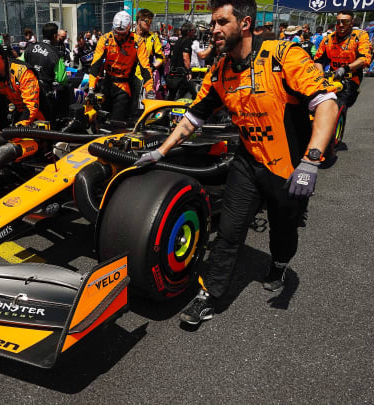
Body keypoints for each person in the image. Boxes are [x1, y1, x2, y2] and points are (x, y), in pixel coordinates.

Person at [134, 0, 338, 325]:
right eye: (212, 23)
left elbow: (327, 103)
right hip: (247, 160)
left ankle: (280, 264)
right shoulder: (220, 70)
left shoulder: (284, 55)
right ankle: (209, 295)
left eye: (221, 22)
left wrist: (311, 161)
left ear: (244, 24)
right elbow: (193, 118)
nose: (213, 29)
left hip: (289, 169)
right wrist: (162, 151)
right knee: (229, 230)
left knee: (283, 232)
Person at [89, 11, 154, 121]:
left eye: (122, 34)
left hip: (125, 86)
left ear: (129, 29)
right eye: (116, 33)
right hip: (107, 83)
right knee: (100, 119)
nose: (118, 36)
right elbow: (96, 65)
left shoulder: (138, 42)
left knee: (117, 121)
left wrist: (150, 89)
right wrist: (91, 88)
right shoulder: (105, 39)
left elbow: (145, 67)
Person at [0, 38, 45, 128]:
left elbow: (32, 106)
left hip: (39, 116)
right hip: (19, 114)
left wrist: (19, 128)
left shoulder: (22, 72)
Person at [314, 9, 371, 108]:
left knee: (340, 104)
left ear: (351, 23)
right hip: (333, 76)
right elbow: (318, 60)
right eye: (338, 22)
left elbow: (364, 58)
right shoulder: (328, 39)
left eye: (345, 22)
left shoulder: (361, 36)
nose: (340, 25)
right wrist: (321, 75)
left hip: (352, 76)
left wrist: (345, 68)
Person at [23, 22, 68, 121]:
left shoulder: (29, 48)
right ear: (55, 36)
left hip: (27, 91)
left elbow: (20, 64)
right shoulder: (55, 54)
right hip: (45, 95)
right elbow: (62, 79)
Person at [133, 9, 164, 111]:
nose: (149, 24)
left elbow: (160, 57)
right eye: (147, 21)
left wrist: (153, 66)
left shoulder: (153, 37)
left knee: (144, 108)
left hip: (146, 78)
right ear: (139, 21)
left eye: (151, 21)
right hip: (130, 77)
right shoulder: (130, 36)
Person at [166, 22, 197, 100]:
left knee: (172, 97)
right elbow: (185, 57)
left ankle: (168, 109)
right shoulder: (187, 41)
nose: (194, 32)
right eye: (193, 30)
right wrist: (189, 71)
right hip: (181, 74)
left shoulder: (179, 41)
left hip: (174, 73)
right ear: (188, 31)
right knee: (194, 95)